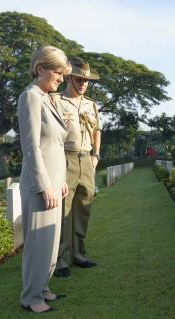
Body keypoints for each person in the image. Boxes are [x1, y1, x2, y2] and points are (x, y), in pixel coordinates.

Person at [18, 46, 70, 313]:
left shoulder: (49, 98)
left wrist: (59, 179)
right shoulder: (30, 97)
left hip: (54, 182)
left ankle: (43, 288)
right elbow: (31, 147)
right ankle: (30, 297)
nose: (61, 78)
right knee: (38, 243)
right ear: (40, 69)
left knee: (51, 242)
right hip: (39, 184)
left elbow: (56, 145)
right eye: (58, 72)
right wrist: (44, 184)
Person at [52, 57, 101, 277]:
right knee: (64, 211)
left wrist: (96, 155)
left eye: (87, 80)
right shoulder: (56, 101)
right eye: (79, 79)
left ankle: (79, 255)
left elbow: (97, 130)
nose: (83, 83)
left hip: (86, 160)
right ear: (69, 78)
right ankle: (61, 261)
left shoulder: (91, 104)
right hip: (66, 159)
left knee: (83, 209)